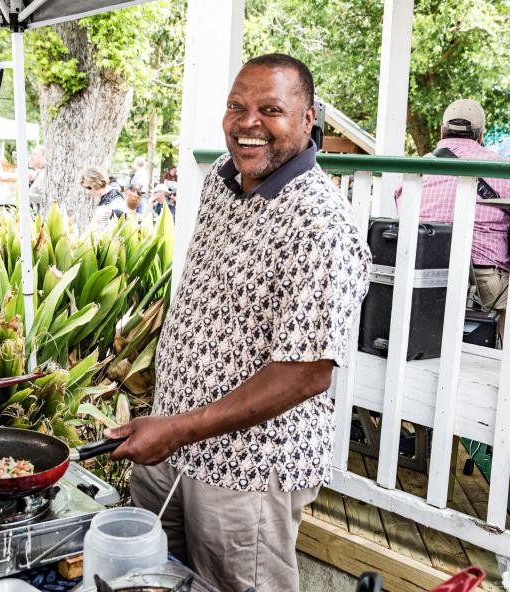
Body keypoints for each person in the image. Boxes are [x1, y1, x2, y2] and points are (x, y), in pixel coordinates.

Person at [104, 53, 371, 592]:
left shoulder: (322, 224)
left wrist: (177, 429)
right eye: (236, 106)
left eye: (270, 109)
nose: (248, 122)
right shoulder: (221, 185)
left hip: (246, 471)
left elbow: (306, 373)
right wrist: (170, 424)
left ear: (308, 118)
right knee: (156, 580)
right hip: (173, 442)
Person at [396, 99, 510, 335]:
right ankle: (500, 362)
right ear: (480, 136)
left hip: (422, 272)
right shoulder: (502, 169)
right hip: (482, 280)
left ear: (442, 130)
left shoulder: (414, 171)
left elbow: (401, 210)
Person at [80, 167, 127, 232]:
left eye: (89, 187)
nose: (88, 191)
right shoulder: (104, 195)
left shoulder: (115, 195)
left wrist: (110, 212)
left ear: (96, 182)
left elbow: (125, 216)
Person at [28, 145, 46, 214]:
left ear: (43, 156)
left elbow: (45, 198)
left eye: (35, 154)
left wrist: (25, 195)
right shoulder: (39, 172)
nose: (31, 157)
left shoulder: (43, 173)